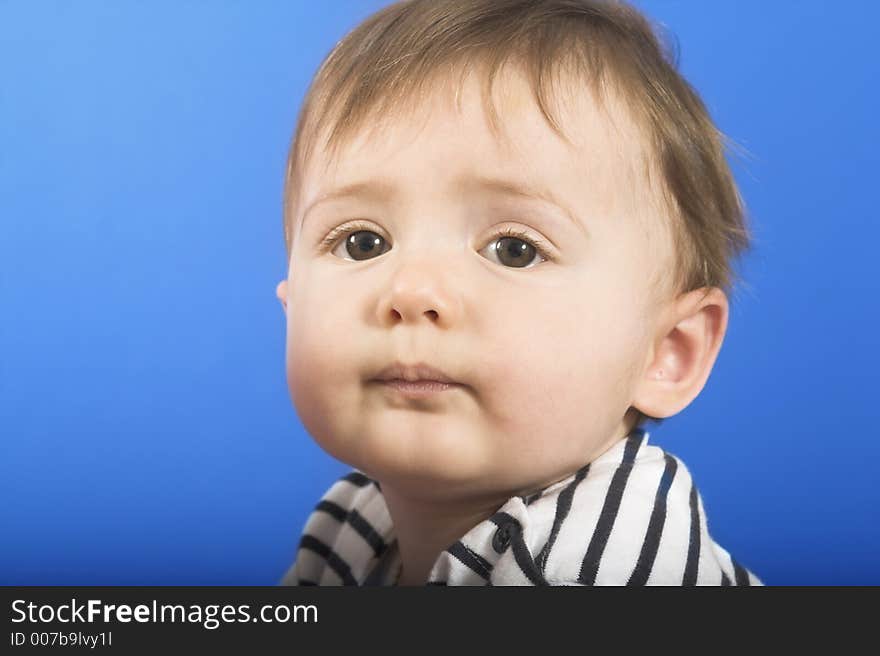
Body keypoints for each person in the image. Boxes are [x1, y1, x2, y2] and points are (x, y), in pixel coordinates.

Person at [274, 0, 761, 585]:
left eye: (514, 249)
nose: (410, 290)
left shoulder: (611, 568)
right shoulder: (355, 519)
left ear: (666, 352)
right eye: (362, 243)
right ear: (290, 300)